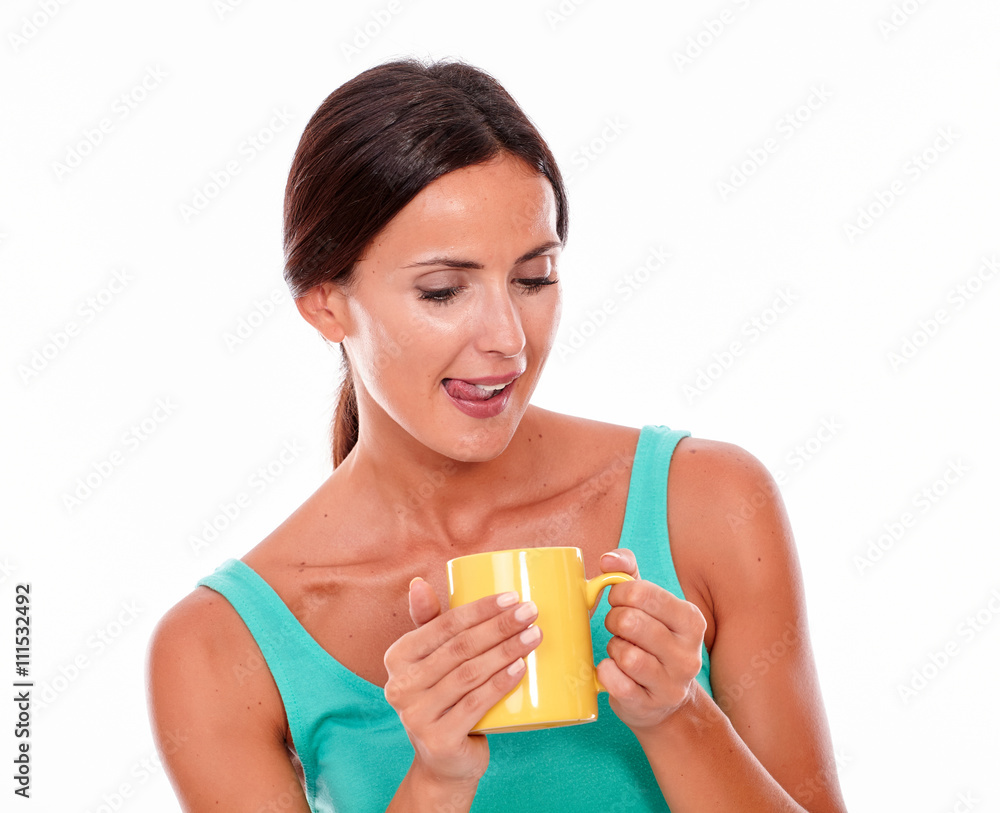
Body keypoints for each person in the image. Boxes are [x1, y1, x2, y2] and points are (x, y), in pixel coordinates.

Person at [145, 57, 849, 813]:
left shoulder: (709, 502)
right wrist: (436, 780)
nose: (508, 339)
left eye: (533, 278)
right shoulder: (216, 649)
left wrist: (679, 717)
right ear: (324, 304)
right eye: (443, 290)